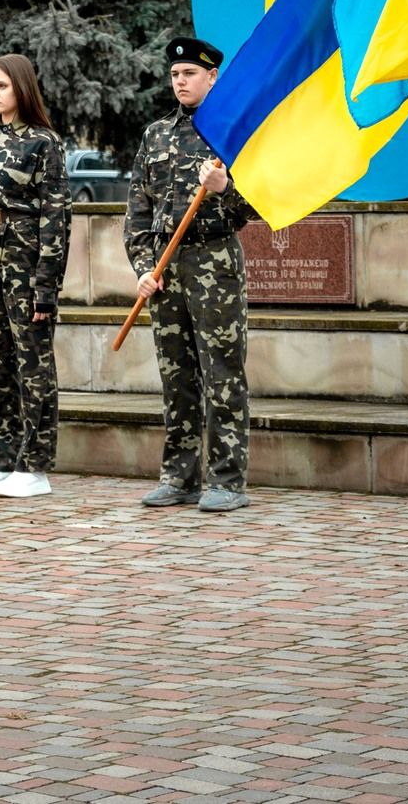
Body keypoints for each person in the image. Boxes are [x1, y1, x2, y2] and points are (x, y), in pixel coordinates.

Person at [125, 37, 255, 513]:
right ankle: (179, 477)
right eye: (176, 74)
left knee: (222, 373)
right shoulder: (155, 135)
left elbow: (255, 208)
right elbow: (137, 214)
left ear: (212, 78)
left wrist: (224, 189)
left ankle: (227, 479)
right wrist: (143, 270)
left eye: (190, 74)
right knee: (176, 376)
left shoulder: (230, 132)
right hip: (166, 269)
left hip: (213, 262)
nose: (181, 82)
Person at [0, 53, 70, 500]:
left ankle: (34, 463)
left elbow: (55, 218)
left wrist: (46, 285)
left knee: (32, 363)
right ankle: (0, 459)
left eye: (2, 86)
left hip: (24, 262)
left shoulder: (44, 143)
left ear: (21, 88)